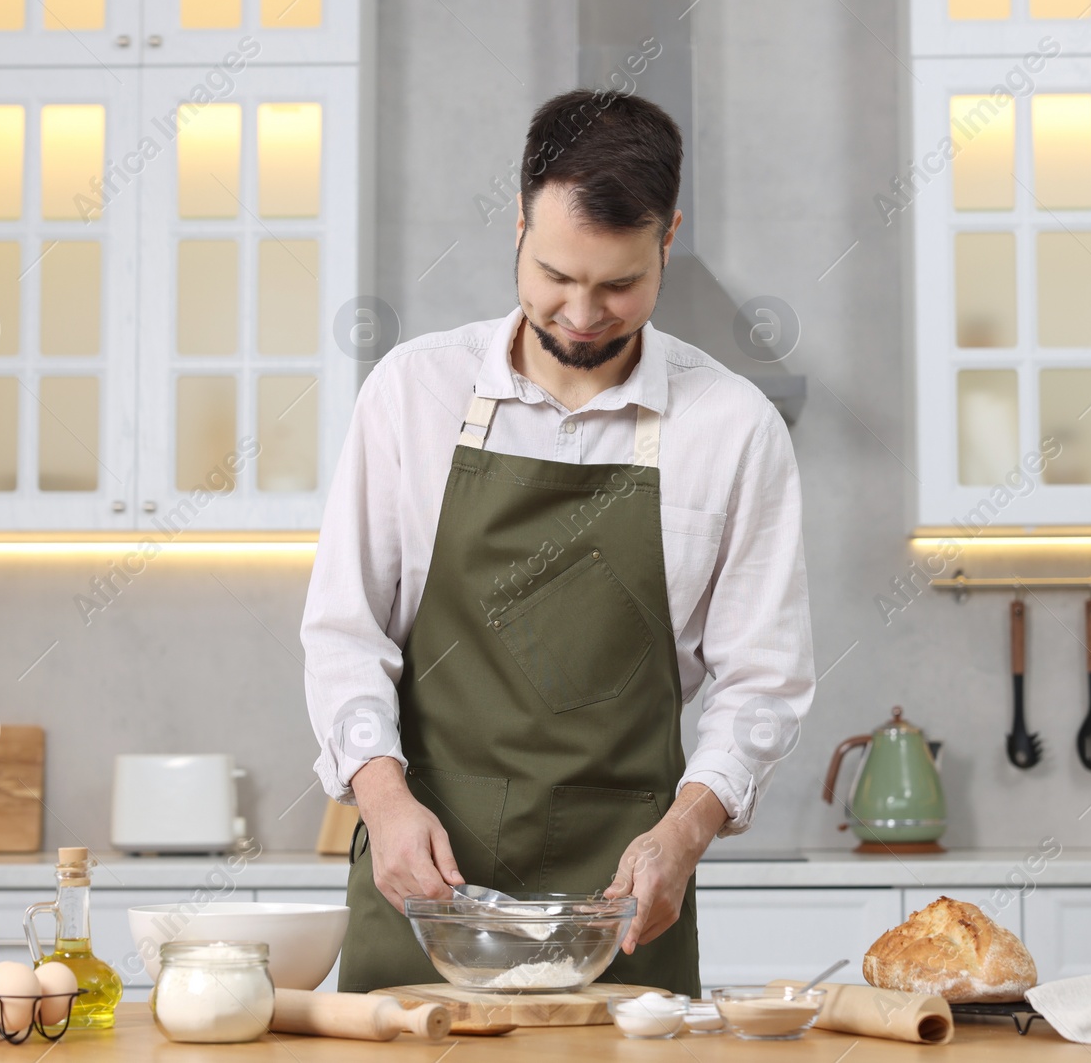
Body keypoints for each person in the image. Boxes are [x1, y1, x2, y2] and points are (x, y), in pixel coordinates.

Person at [300, 87, 814, 995]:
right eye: (555, 274)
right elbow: (344, 633)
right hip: (424, 886)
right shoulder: (411, 395)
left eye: (619, 283)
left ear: (668, 241)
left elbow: (764, 682)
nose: (581, 313)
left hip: (623, 902)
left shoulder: (732, 428)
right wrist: (380, 799)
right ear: (519, 229)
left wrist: (686, 830)